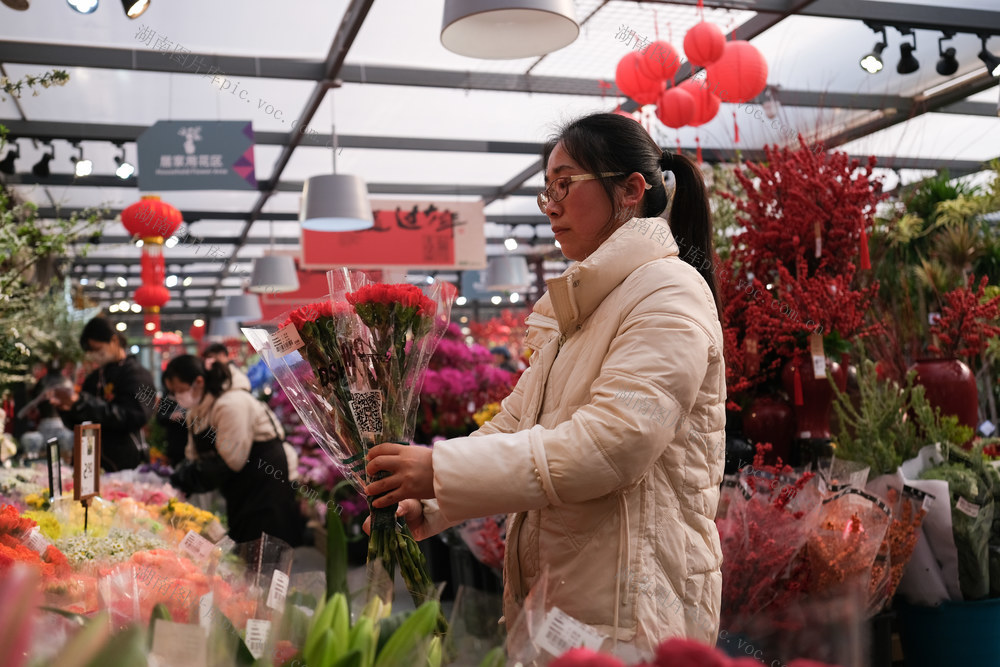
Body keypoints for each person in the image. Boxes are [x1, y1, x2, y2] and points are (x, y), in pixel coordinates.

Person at [364, 113, 726, 659]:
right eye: (546, 189)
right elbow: (516, 421)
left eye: (565, 184)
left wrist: (437, 470)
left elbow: (611, 445)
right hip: (568, 598)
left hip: (629, 611)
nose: (551, 204)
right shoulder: (581, 302)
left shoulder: (667, 291)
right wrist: (434, 499)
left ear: (630, 190)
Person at [164, 355, 304, 546]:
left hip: (264, 478)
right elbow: (193, 454)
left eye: (179, 390)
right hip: (240, 481)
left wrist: (187, 479)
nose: (177, 397)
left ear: (198, 381)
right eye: (172, 393)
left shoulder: (231, 403)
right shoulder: (199, 408)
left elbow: (233, 461)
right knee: (243, 540)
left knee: (265, 543)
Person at [52, 318, 155, 471]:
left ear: (114, 340)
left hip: (126, 463)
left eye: (97, 349)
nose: (94, 355)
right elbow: (79, 424)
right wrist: (68, 408)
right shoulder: (93, 378)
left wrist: (82, 404)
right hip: (90, 462)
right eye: (90, 352)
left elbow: (135, 416)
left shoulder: (137, 375)